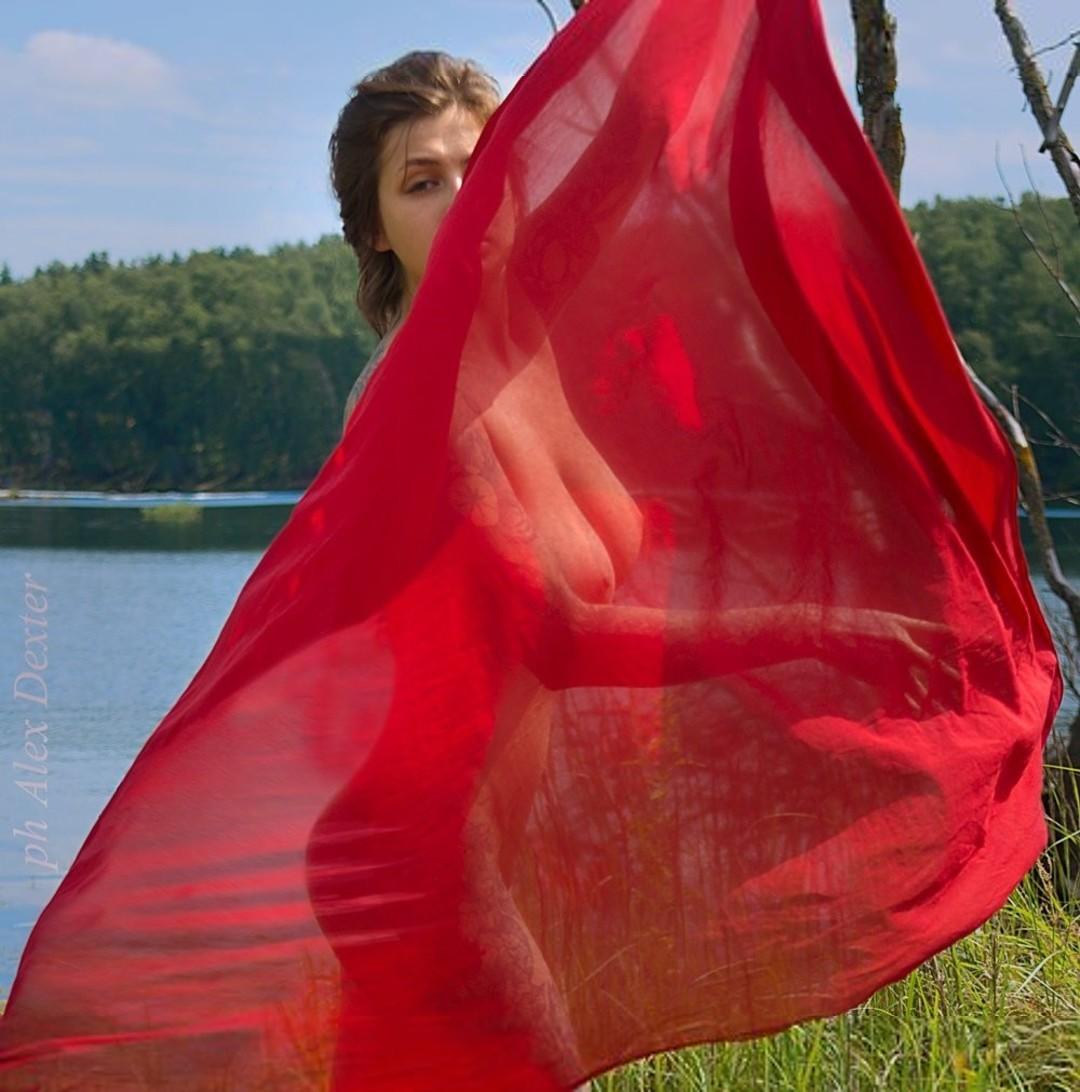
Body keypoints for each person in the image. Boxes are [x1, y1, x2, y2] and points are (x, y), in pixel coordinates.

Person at [0, 3, 1061, 1089]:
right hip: (410, 857)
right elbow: (557, 634)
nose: (465, 198)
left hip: (463, 851)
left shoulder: (522, 323)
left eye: (484, 165)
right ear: (374, 230)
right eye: (422, 182)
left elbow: (641, 122)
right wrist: (829, 631)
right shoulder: (418, 405)